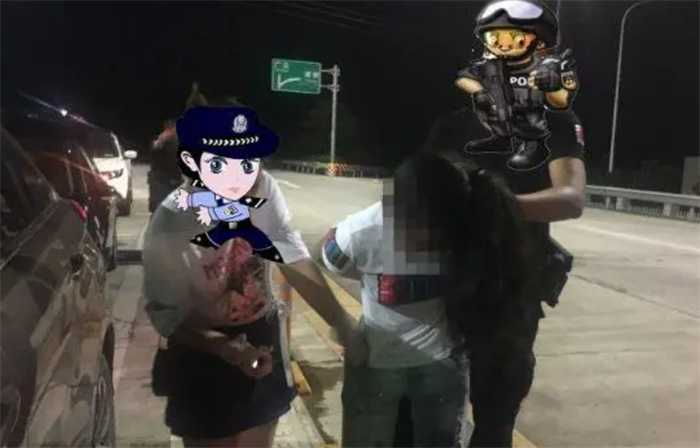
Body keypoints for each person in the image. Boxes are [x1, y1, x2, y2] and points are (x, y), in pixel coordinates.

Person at [143, 118, 359, 448]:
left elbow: (291, 255)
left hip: (261, 333)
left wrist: (340, 321)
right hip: (200, 347)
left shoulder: (262, 185)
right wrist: (221, 346)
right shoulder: (169, 224)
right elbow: (168, 318)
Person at [320, 153, 538, 447]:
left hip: (442, 367)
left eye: (433, 230)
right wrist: (343, 325)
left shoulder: (473, 233)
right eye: (411, 226)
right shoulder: (361, 233)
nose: (421, 239)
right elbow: (325, 256)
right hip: (376, 364)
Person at [424, 100, 586, 446]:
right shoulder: (453, 123)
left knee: (495, 419)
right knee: (431, 411)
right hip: (445, 289)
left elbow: (572, 199)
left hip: (512, 297)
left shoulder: (555, 121)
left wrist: (499, 205)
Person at [455, 0, 579, 171]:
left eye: (517, 39)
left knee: (528, 105)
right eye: (494, 38)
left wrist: (551, 87)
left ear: (540, 41)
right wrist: (480, 91)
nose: (504, 46)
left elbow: (561, 103)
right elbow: (463, 78)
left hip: (533, 122)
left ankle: (534, 145)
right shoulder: (491, 67)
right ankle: (501, 138)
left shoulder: (549, 68)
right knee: (488, 100)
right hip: (501, 117)